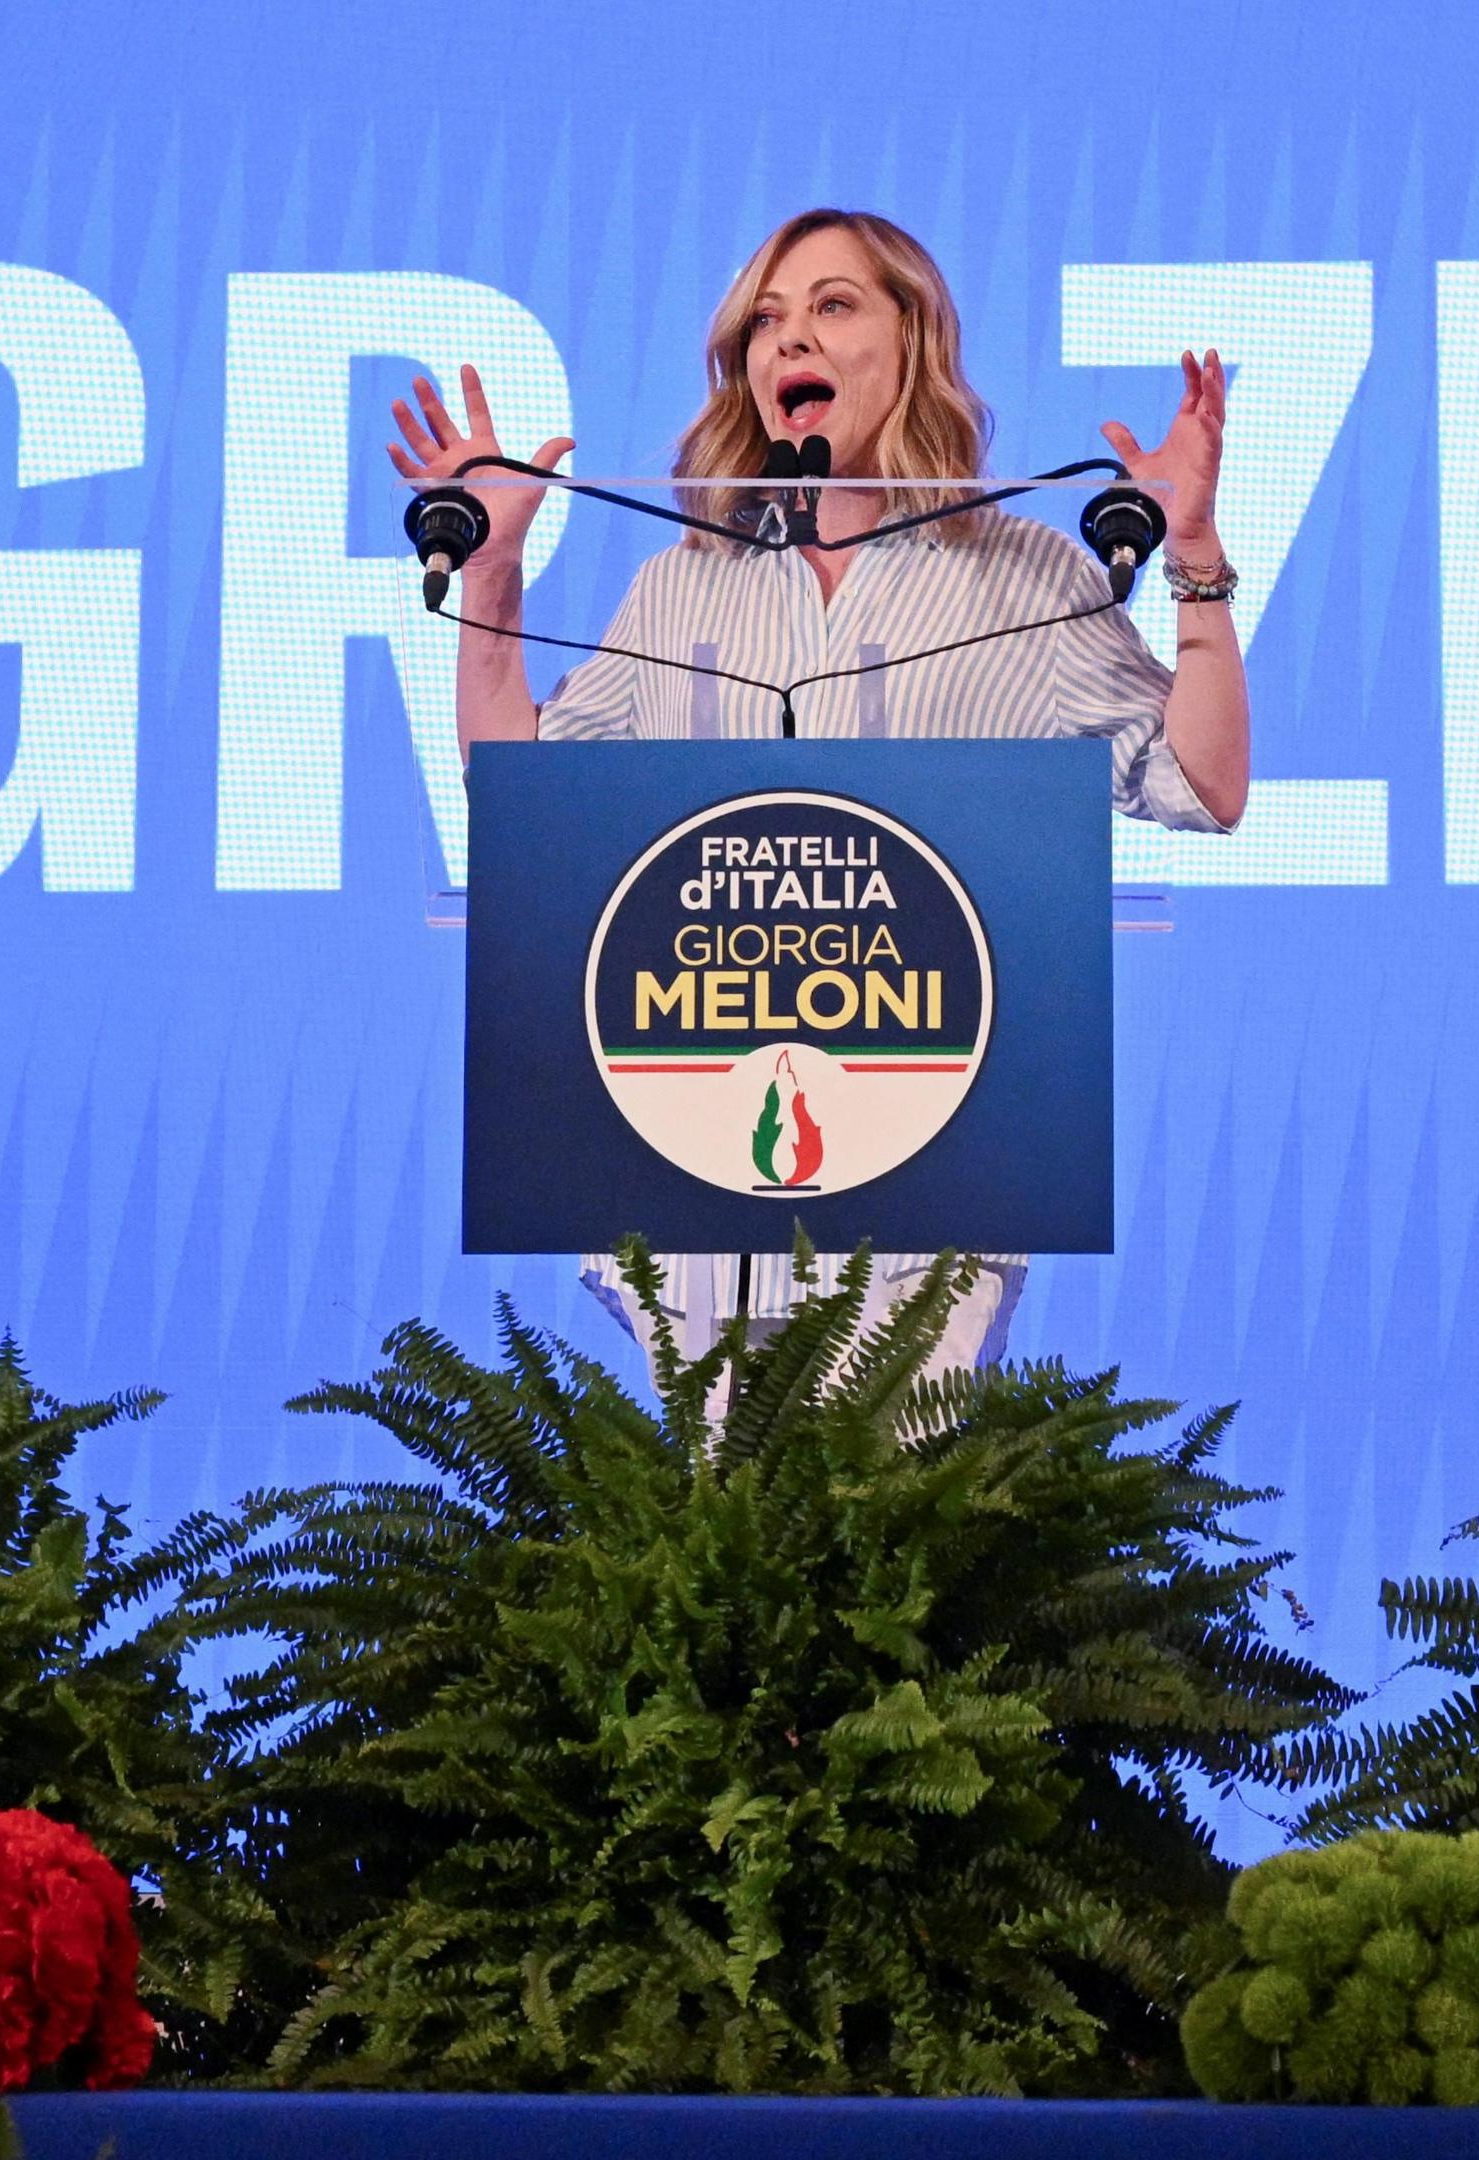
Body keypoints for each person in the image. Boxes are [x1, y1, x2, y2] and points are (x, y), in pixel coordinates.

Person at [387, 205, 1245, 1369]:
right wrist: (491, 580)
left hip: (937, 1178)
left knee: (898, 1543)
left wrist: (1193, 557)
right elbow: (526, 811)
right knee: (719, 1548)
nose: (790, 340)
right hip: (693, 1181)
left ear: (913, 341)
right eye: (766, 322)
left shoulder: (1026, 578)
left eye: (833, 306)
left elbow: (1202, 780)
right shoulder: (681, 590)